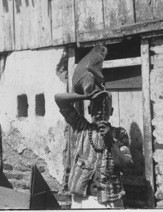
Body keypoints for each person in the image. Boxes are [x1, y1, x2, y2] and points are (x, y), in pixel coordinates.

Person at [55, 46, 134, 209]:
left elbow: (128, 165)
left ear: (110, 112)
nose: (100, 111)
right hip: (81, 199)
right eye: (96, 107)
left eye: (105, 108)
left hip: (109, 200)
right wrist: (85, 95)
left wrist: (110, 142)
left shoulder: (119, 134)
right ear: (90, 110)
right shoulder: (82, 127)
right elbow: (59, 100)